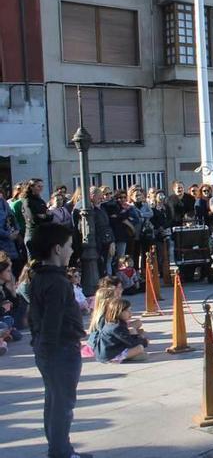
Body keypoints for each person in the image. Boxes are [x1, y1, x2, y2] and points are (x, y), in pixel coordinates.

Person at [27, 223, 93, 458]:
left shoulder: (39, 277)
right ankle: (60, 451)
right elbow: (52, 322)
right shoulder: (58, 282)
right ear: (57, 249)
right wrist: (49, 350)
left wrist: (39, 346)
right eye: (69, 246)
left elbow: (35, 318)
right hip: (60, 350)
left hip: (48, 350)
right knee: (62, 405)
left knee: (53, 401)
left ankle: (60, 449)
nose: (72, 250)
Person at [90, 297, 148, 363]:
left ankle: (131, 356)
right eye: (127, 311)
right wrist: (144, 341)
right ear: (118, 312)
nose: (130, 313)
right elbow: (130, 342)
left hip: (109, 352)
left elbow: (127, 339)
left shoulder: (114, 323)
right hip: (109, 356)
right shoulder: (117, 327)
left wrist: (138, 337)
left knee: (133, 333)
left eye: (130, 310)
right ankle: (124, 358)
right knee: (140, 348)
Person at [22, 178, 52, 258]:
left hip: (42, 234)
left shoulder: (41, 201)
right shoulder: (27, 201)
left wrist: (44, 216)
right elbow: (33, 219)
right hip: (32, 235)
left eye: (42, 186)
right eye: (38, 186)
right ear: (31, 187)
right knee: (34, 263)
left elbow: (50, 216)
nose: (41, 188)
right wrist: (44, 216)